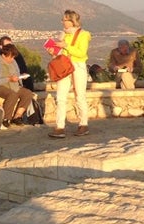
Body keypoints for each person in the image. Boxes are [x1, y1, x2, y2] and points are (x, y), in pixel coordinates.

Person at [47, 10, 92, 138]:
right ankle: (60, 127)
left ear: (72, 21)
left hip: (78, 66)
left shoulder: (83, 35)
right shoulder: (63, 35)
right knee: (60, 97)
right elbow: (61, 53)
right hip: (64, 67)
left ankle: (83, 124)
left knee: (80, 96)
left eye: (64, 20)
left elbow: (81, 53)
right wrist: (54, 52)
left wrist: (66, 46)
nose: (62, 22)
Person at [0, 44, 35, 128]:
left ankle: (17, 116)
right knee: (12, 95)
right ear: (3, 55)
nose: (12, 59)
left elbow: (16, 73)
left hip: (14, 85)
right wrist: (9, 79)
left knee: (28, 93)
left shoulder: (13, 62)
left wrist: (21, 76)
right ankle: (6, 118)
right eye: (11, 57)